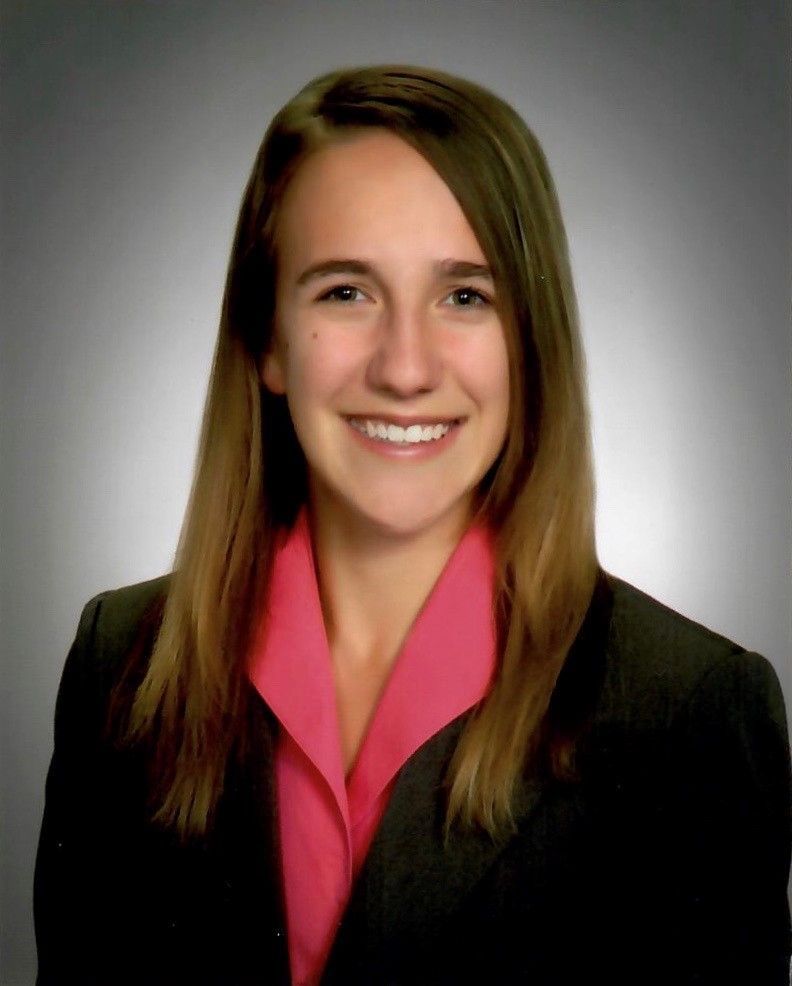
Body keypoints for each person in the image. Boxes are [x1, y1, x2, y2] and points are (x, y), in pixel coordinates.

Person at [34, 65, 790, 986]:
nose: (404, 367)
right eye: (345, 292)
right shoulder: (122, 666)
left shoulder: (690, 712)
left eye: (465, 295)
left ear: (530, 342)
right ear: (267, 340)